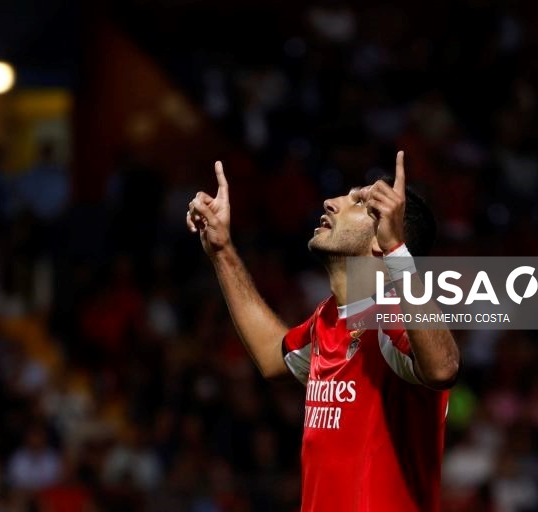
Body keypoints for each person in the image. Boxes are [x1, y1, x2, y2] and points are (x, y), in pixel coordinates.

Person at [186, 151, 460, 511]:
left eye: (358, 202)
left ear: (382, 238)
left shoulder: (391, 316)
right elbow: (272, 356)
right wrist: (222, 251)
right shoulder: (326, 319)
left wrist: (397, 250)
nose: (331, 202)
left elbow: (443, 368)